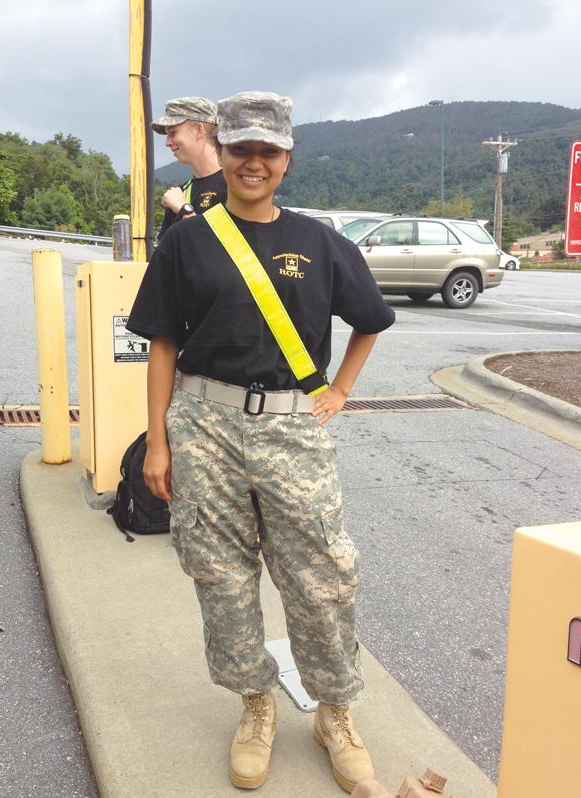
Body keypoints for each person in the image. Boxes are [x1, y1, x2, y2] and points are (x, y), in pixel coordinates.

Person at [127, 91, 395, 792]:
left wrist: (339, 390)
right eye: (241, 147)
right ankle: (255, 704)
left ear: (286, 159)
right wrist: (158, 443)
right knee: (220, 575)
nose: (253, 161)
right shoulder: (188, 239)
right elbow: (163, 342)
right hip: (203, 423)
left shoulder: (319, 241)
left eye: (267, 151)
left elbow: (370, 318)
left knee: (322, 577)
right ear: (224, 148)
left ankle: (334, 711)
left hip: (289, 427)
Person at [151, 96, 227, 239]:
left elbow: (226, 249)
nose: (167, 143)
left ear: (199, 129)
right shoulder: (181, 193)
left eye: (173, 133)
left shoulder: (236, 186)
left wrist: (184, 210)